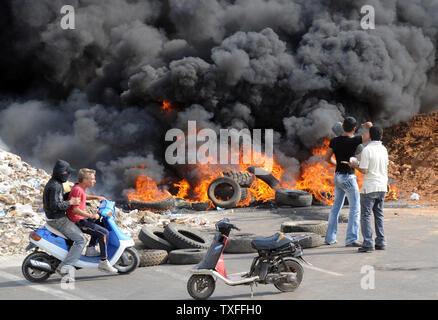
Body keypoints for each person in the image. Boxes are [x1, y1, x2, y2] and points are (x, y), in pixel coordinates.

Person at [324, 117, 373, 247]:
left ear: (342, 127)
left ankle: (330, 238)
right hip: (349, 177)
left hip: (338, 176)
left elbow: (326, 158)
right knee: (355, 208)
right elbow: (371, 136)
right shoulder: (355, 140)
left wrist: (337, 164)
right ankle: (351, 239)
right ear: (354, 129)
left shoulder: (334, 141)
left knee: (336, 207)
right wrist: (369, 126)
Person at [66, 168, 117, 273]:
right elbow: (75, 209)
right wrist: (90, 215)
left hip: (80, 219)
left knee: (99, 223)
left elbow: (84, 197)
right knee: (104, 233)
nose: (95, 181)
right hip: (78, 222)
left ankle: (90, 249)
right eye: (92, 179)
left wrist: (97, 197)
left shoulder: (80, 188)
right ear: (85, 180)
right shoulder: (77, 190)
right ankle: (103, 262)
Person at [43, 159, 86, 275]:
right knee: (81, 240)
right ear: (62, 173)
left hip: (55, 218)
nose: (68, 175)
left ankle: (67, 259)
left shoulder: (55, 183)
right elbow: (55, 205)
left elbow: (58, 199)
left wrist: (69, 195)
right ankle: (64, 267)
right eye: (67, 173)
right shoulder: (55, 186)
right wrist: (71, 202)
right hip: (58, 219)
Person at [350, 126, 388, 252]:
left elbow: (365, 170)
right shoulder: (384, 150)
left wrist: (355, 165)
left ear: (370, 136)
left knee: (365, 216)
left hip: (370, 187)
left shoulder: (367, 150)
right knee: (379, 214)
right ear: (381, 137)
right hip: (382, 186)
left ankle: (368, 243)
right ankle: (381, 241)